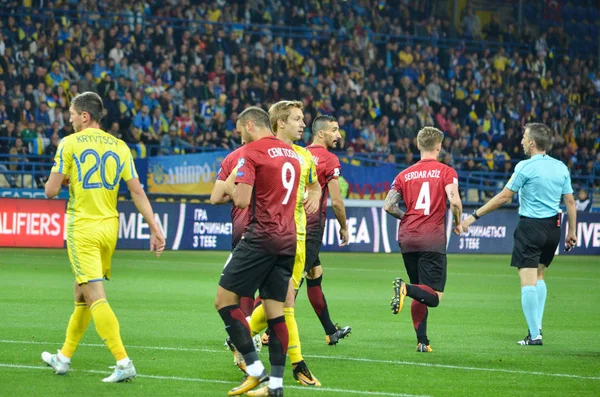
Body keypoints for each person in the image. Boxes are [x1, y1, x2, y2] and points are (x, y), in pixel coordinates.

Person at [41, 92, 166, 382]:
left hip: (83, 226)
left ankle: (123, 362)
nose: (70, 119)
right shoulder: (120, 146)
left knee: (94, 295)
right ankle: (64, 357)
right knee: (81, 294)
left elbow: (50, 191)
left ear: (85, 116)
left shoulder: (69, 143)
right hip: (110, 228)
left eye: (72, 114)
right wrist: (155, 227)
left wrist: (64, 179)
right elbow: (136, 191)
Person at [460, 123, 577, 346]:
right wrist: (572, 232)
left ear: (532, 142)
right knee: (540, 275)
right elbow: (570, 202)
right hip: (553, 229)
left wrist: (474, 216)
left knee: (527, 282)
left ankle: (534, 335)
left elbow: (504, 197)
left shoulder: (525, 167)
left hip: (530, 228)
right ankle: (537, 326)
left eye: (524, 137)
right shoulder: (561, 167)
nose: (522, 141)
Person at [214, 106, 302, 397]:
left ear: (250, 125)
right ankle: (275, 387)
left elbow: (240, 200)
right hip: (287, 240)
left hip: (261, 237)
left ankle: (254, 370)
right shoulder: (292, 154)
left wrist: (229, 182)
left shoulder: (250, 153)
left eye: (240, 131)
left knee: (224, 301)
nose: (240, 137)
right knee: (276, 313)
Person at [244, 100, 322, 393]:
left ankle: (242, 334)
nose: (303, 124)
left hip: (297, 237)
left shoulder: (305, 156)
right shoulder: (263, 151)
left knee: (280, 300)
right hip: (270, 236)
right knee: (286, 301)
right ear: (280, 123)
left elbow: (314, 186)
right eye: (297, 119)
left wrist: (314, 195)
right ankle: (298, 365)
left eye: (303, 119)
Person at [383, 126, 463, 352]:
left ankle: (422, 341)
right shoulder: (447, 172)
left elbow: (388, 206)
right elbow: (455, 202)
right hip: (431, 239)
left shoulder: (403, 175)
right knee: (434, 296)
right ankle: (404, 289)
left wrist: (406, 216)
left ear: (418, 145)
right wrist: (457, 222)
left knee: (422, 290)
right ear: (439, 147)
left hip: (408, 238)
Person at [305, 115, 352, 345]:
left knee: (315, 274)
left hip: (291, 225)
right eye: (334, 130)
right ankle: (257, 330)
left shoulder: (299, 154)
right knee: (288, 284)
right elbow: (337, 202)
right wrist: (344, 227)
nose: (339, 135)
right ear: (320, 133)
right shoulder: (329, 159)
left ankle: (330, 331)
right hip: (310, 228)